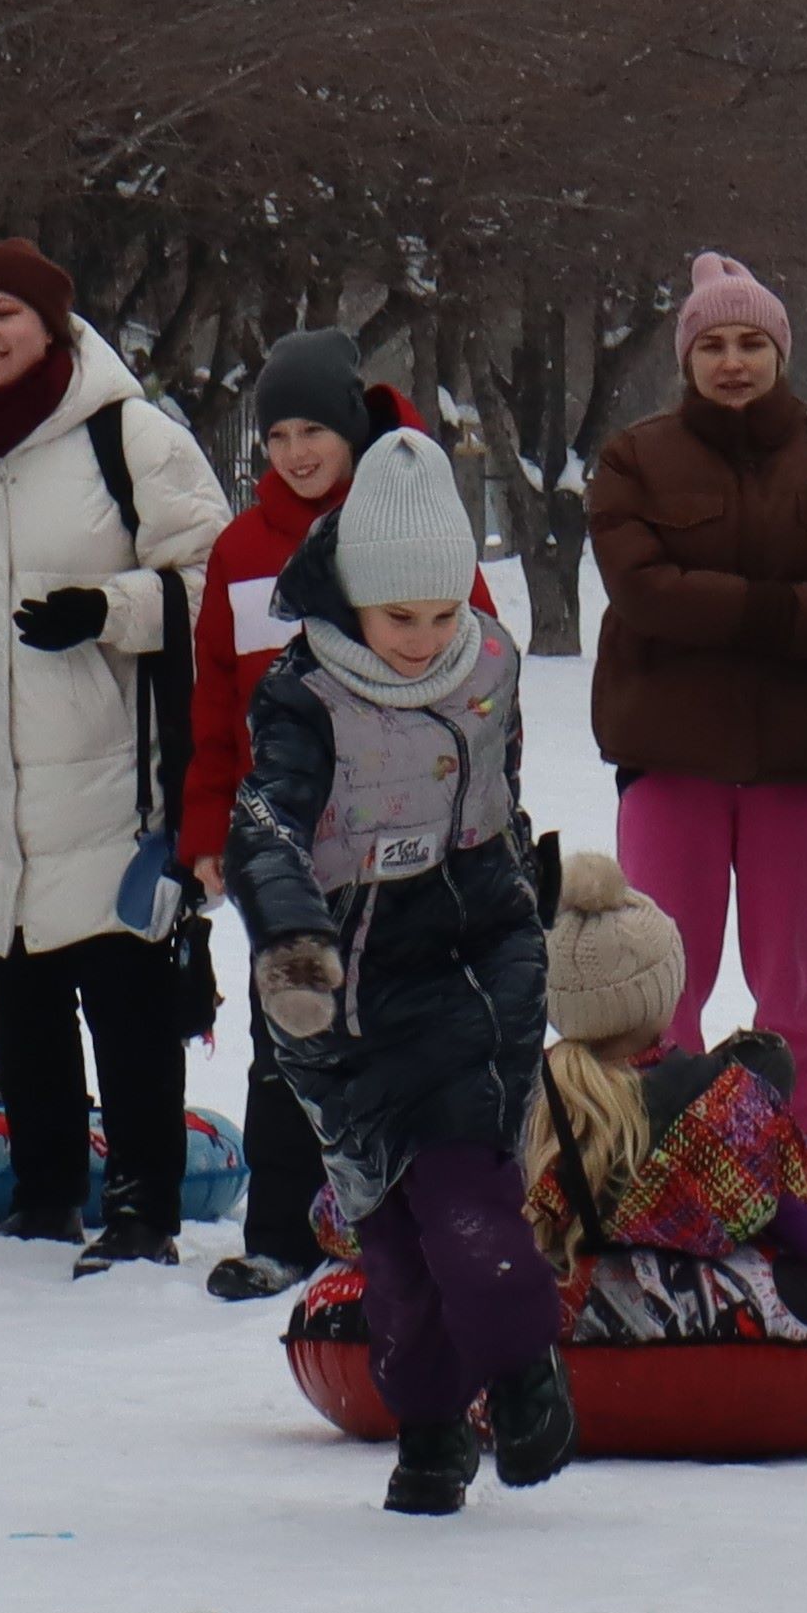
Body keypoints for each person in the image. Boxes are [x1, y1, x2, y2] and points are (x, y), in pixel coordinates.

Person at [224, 430, 570, 1518]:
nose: (424, 639)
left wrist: (520, 884)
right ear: (354, 604)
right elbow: (265, 826)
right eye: (397, 616)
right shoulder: (306, 695)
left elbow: (500, 790)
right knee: (395, 1241)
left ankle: (522, 1372)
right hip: (345, 982)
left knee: (470, 1195)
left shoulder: (491, 659)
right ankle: (428, 1427)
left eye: (439, 611)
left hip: (474, 957)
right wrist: (291, 944)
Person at [0, 240, 233, 1272]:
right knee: (17, 992)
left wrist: (114, 609)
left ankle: (141, 1206)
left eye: (5, 314)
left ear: (52, 324)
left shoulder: (131, 437)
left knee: (125, 1001)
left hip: (114, 772)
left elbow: (223, 574)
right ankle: (42, 1194)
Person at [179, 327, 488, 1301]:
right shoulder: (238, 550)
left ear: (352, 428)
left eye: (315, 427)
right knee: (288, 1043)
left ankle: (404, 1223)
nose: (298, 450)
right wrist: (205, 833)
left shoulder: (412, 531)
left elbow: (482, 678)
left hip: (404, 837)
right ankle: (278, 1231)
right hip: (285, 850)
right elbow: (213, 711)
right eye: (278, 434)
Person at [583, 251, 807, 1132]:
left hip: (797, 762)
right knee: (662, 979)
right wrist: (793, 615)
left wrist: (719, 608)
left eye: (752, 342)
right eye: (715, 343)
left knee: (793, 981)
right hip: (669, 755)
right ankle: (666, 1139)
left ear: (780, 353)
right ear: (686, 357)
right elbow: (643, 590)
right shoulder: (633, 457)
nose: (733, 361)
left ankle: (797, 1142)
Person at [522, 849, 807, 1282]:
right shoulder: (726, 1109)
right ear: (663, 990)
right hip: (700, 1344)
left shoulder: (528, 1106)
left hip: (553, 1333)